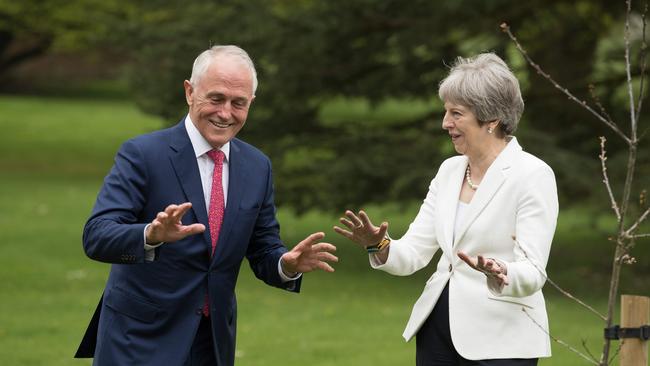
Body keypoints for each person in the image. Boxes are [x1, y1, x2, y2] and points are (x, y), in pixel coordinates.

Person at [74, 45, 338, 366]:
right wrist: (151, 234)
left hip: (212, 344)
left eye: (238, 103)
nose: (225, 113)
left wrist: (287, 264)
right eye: (216, 98)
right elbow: (97, 236)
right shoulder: (143, 155)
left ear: (250, 103)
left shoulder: (257, 166)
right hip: (140, 342)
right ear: (189, 92)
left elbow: (263, 249)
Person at [334, 53, 558, 365]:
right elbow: (414, 252)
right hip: (438, 332)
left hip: (502, 342)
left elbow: (533, 272)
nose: (445, 123)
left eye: (456, 114)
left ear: (491, 119)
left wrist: (501, 270)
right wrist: (378, 245)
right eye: (446, 112)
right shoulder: (449, 171)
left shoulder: (532, 175)